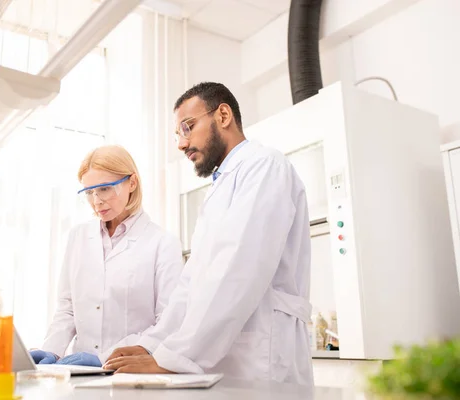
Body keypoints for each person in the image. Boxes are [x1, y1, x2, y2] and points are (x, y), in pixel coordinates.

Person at [104, 82, 313, 385]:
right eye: (178, 134)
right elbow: (192, 286)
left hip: (263, 357)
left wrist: (176, 357)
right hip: (222, 359)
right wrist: (152, 344)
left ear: (223, 115)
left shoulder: (264, 166)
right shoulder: (220, 187)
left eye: (187, 127)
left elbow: (239, 269)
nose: (181, 143)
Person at [30, 145, 183, 367]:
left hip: (130, 372)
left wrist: (104, 358)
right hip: (77, 374)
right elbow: (67, 308)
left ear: (132, 182)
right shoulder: (78, 237)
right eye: (89, 192)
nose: (96, 201)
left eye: (104, 189)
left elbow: (168, 323)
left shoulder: (163, 244)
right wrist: (52, 350)